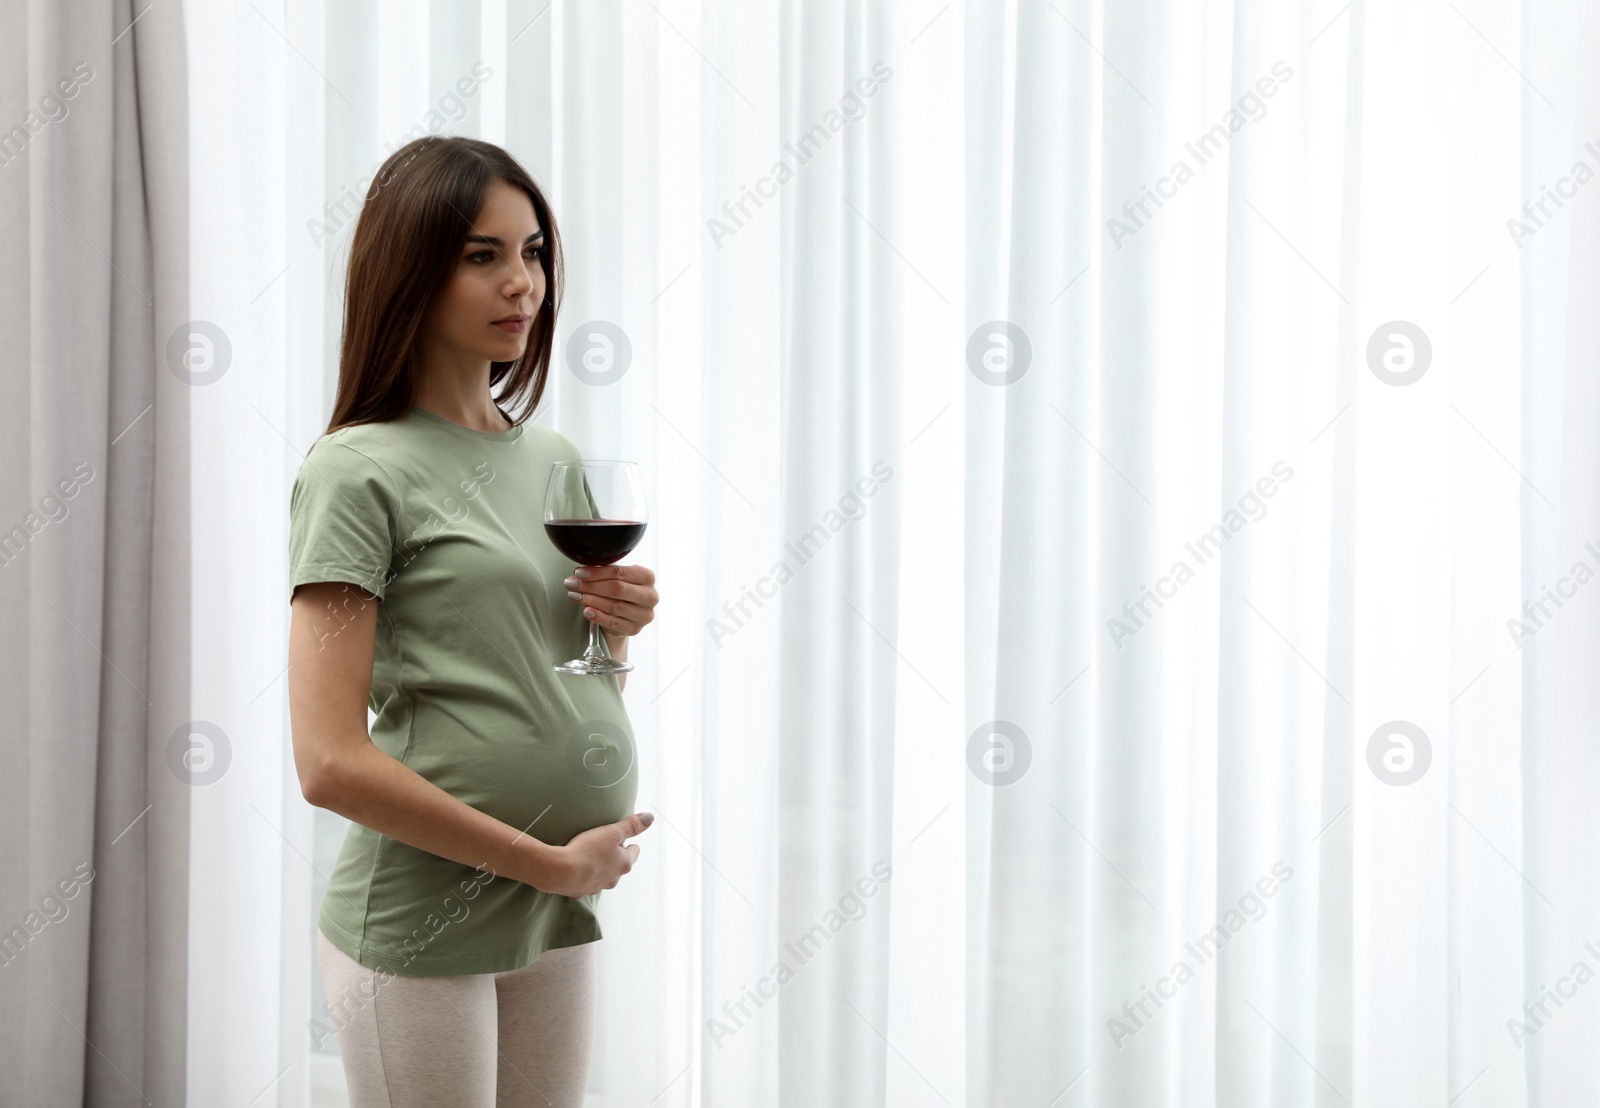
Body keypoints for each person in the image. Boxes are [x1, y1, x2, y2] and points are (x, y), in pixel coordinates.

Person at [286, 135, 659, 1108]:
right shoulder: (357, 471)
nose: (522, 283)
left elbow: (550, 669)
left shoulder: (557, 458)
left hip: (550, 902)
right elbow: (327, 762)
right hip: (424, 915)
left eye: (533, 251)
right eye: (481, 255)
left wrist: (616, 631)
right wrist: (551, 860)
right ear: (409, 269)